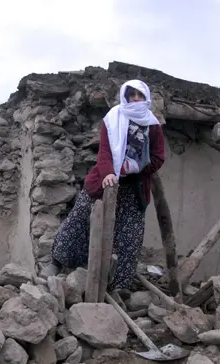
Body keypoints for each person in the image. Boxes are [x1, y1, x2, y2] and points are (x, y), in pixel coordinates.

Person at [40, 79, 165, 291]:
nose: (135, 99)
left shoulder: (152, 125)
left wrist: (134, 166)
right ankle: (58, 262)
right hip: (105, 181)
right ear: (125, 97)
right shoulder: (113, 118)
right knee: (80, 219)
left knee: (129, 234)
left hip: (134, 187)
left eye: (139, 95)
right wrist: (109, 173)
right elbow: (105, 152)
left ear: (146, 98)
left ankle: (119, 286)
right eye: (131, 95)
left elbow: (158, 157)